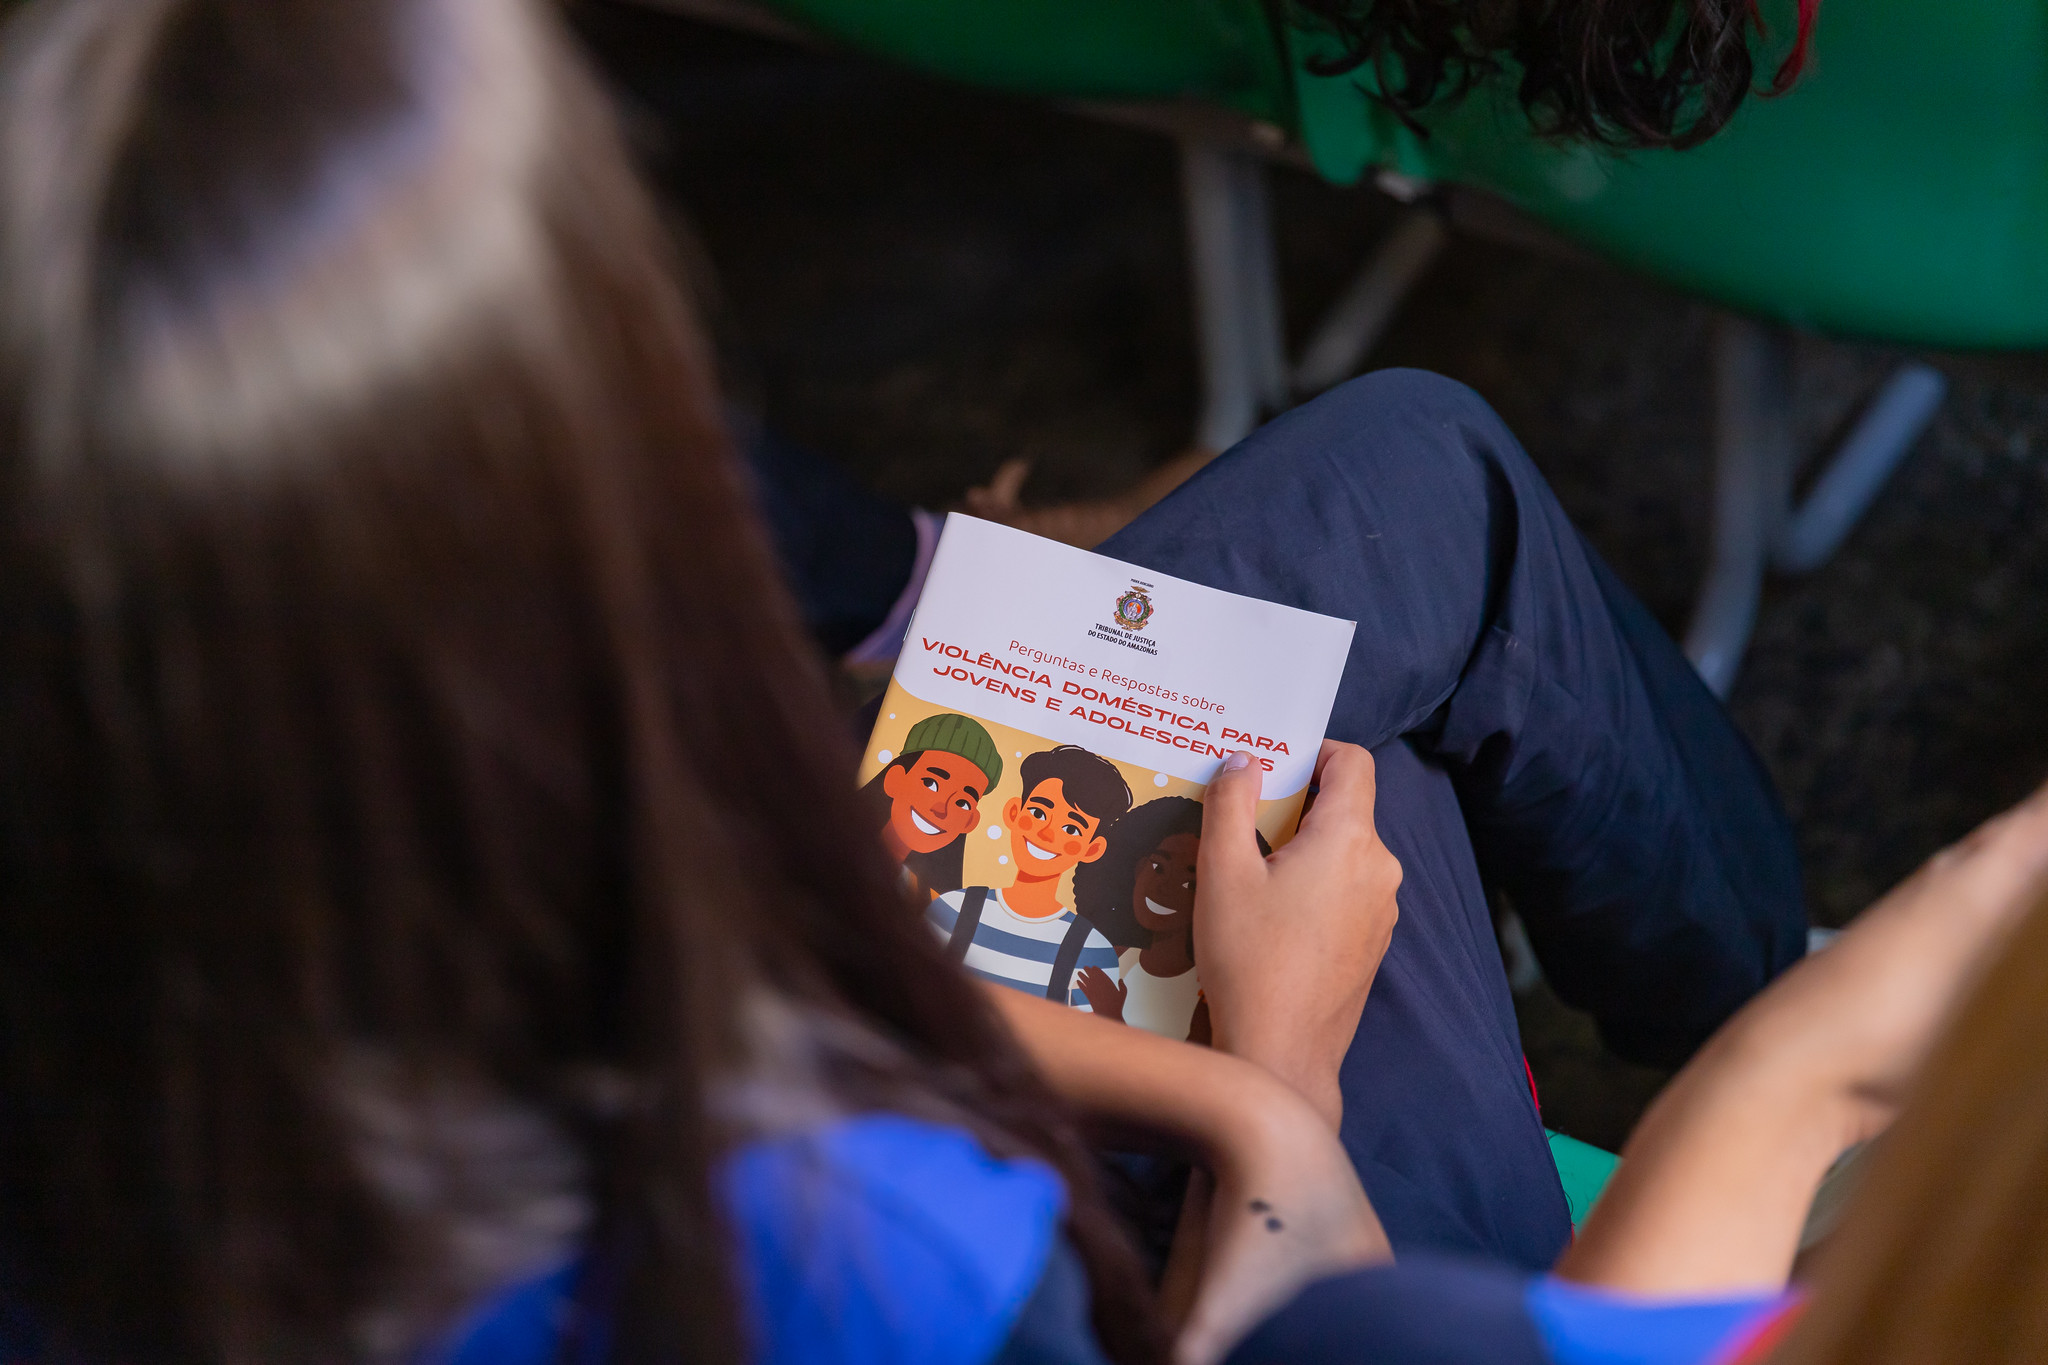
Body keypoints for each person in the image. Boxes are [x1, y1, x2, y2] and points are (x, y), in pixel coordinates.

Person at [927, 745, 1130, 1010]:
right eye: (1038, 813)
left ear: (1092, 849)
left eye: (1071, 828)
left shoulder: (1092, 952)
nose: (1045, 834)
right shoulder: (951, 908)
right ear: (1014, 812)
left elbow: (1075, 1044)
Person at [860, 713, 1002, 901]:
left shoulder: (939, 905)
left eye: (962, 802)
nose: (941, 809)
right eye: (930, 783)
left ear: (970, 821)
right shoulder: (833, 845)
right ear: (895, 779)